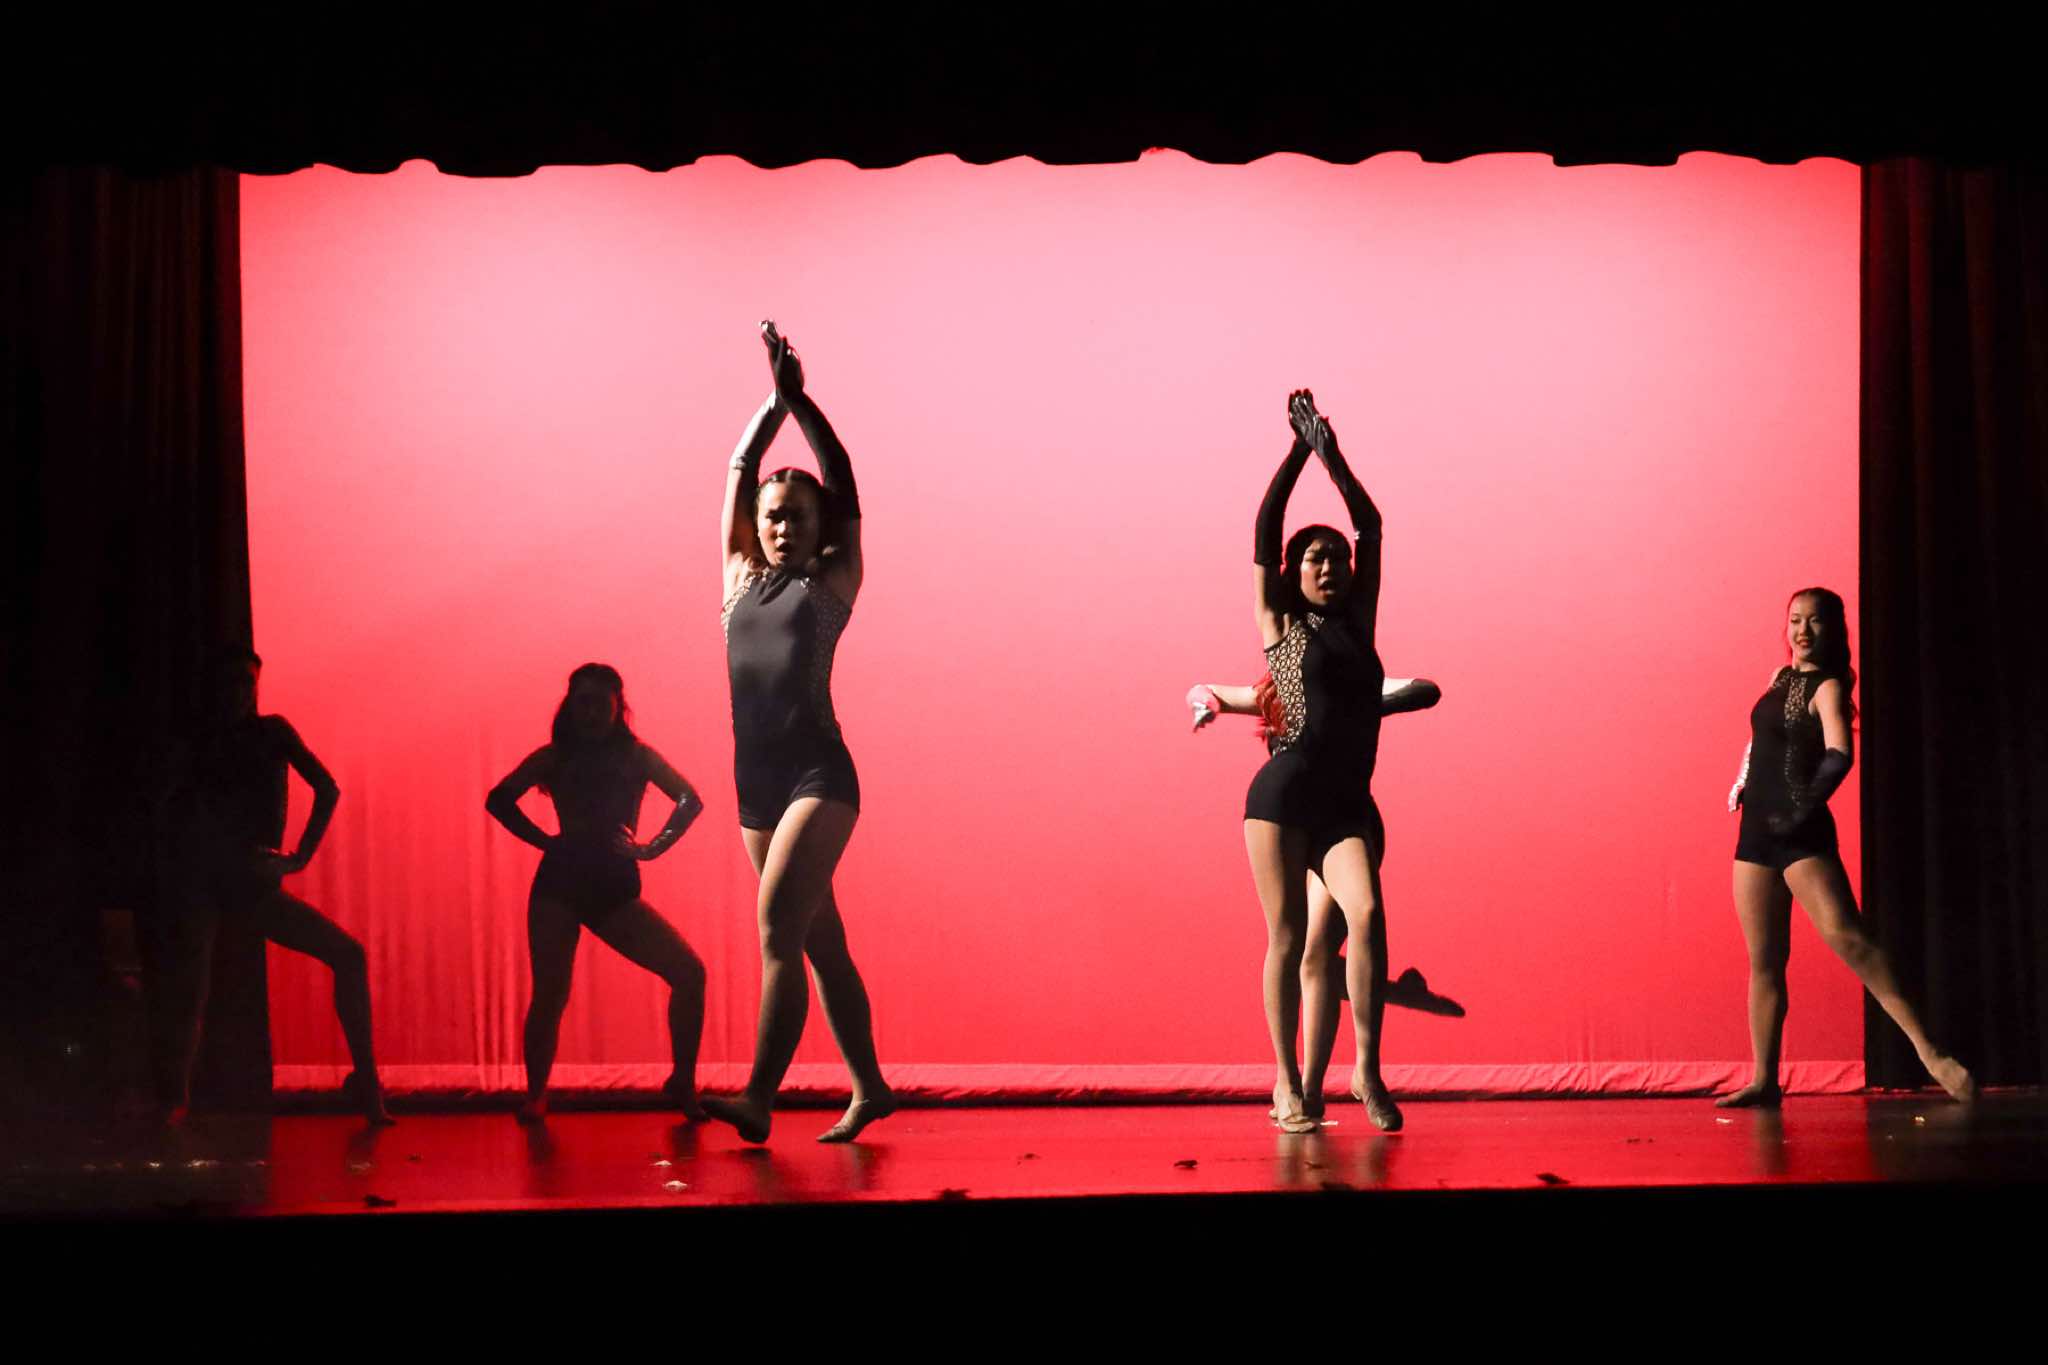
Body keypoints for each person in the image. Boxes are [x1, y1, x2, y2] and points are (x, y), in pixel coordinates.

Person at [700, 322, 895, 1144]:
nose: (784, 527)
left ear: (821, 527)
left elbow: (843, 480)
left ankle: (757, 1097)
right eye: (774, 517)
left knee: (777, 929)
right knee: (823, 944)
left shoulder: (833, 582)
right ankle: (871, 1086)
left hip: (820, 777)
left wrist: (803, 405)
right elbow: (738, 472)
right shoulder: (736, 578)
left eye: (799, 517)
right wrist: (770, 405)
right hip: (756, 790)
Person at [1718, 588, 1975, 1107]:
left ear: (1832, 629)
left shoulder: (1828, 686)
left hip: (1799, 833)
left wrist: (1801, 810)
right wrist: (1742, 781)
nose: (1803, 630)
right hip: (1755, 835)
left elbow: (1839, 754)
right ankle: (1764, 1079)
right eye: (1795, 620)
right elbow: (1764, 741)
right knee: (1764, 960)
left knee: (1851, 940)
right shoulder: (1779, 677)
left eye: (1814, 621)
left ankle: (1931, 1053)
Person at [1189, 673, 1463, 1116]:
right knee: (1292, 941)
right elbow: (1206, 690)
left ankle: (1319, 1088)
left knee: (1320, 948)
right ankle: (1296, 1088)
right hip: (1290, 815)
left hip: (1343, 820)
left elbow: (1424, 689)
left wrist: (1361, 707)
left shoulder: (1353, 677)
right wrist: (1206, 704)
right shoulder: (1281, 687)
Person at [1243, 389, 1403, 1133]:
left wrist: (1334, 458)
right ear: (1293, 571)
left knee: (1365, 915)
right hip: (1283, 798)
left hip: (1343, 802)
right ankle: (1283, 1083)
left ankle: (1366, 1069)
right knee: (1284, 937)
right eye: (1315, 556)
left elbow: (1371, 526)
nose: (1330, 563)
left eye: (1336, 555)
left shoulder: (1358, 622)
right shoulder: (1279, 621)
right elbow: (1265, 529)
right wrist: (1297, 453)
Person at [157, 649, 390, 1125]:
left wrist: (299, 856)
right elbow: (166, 803)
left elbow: (327, 788)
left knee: (347, 954)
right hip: (206, 880)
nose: (239, 692)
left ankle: (368, 1086)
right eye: (231, 682)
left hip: (248, 882)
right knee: (190, 990)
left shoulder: (270, 732)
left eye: (247, 683)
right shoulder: (200, 738)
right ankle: (174, 1099)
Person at [486, 663, 707, 1122]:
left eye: (599, 703)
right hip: (560, 884)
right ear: (570, 706)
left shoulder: (636, 757)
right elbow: (499, 799)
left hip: (613, 888)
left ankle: (682, 1081)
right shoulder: (555, 756)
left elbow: (689, 799)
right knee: (550, 993)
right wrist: (544, 841)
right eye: (581, 702)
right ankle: (536, 1095)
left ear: (617, 707)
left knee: (689, 973)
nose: (588, 713)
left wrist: (651, 847)